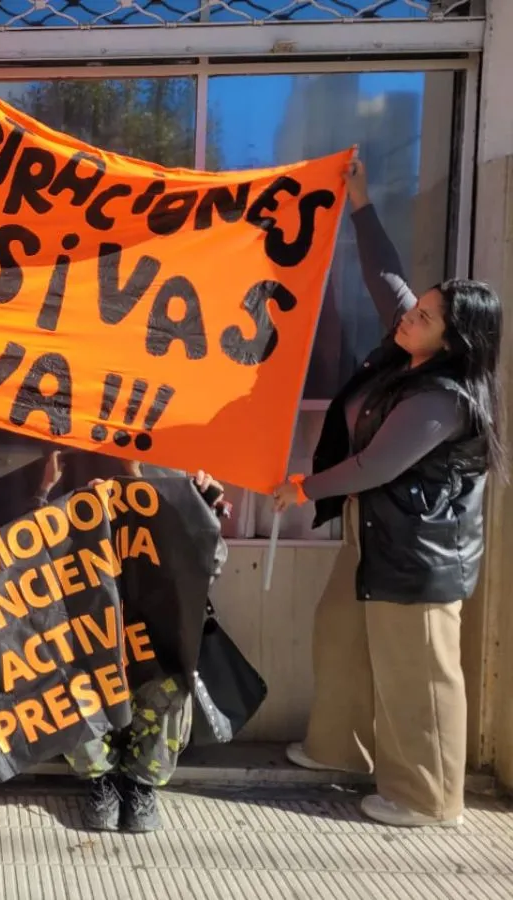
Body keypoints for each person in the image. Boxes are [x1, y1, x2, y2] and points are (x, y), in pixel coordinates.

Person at [272, 158, 504, 828]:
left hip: (417, 551)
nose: (410, 315)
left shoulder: (442, 397)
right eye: (419, 307)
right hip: (376, 529)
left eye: (425, 316)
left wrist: (302, 488)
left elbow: (375, 465)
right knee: (340, 633)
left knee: (419, 673)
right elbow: (386, 279)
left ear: (454, 339)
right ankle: (339, 748)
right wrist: (361, 203)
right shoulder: (412, 352)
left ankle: (428, 798)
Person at [34, 450, 228, 833]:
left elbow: (210, 564)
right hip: (92, 657)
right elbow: (26, 559)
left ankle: (141, 783)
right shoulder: (73, 515)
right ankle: (100, 781)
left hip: (150, 657)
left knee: (171, 683)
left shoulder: (165, 512)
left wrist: (201, 511)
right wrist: (44, 492)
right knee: (68, 685)